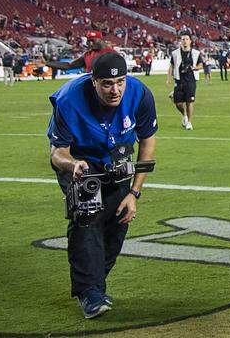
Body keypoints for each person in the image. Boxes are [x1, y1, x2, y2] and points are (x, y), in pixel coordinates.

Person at [46, 52, 157, 318]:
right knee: (87, 218)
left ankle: (95, 284)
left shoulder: (140, 95)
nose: (115, 90)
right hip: (80, 163)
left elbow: (147, 142)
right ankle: (89, 294)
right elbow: (57, 152)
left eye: (120, 82)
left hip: (118, 158)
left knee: (117, 222)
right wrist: (73, 165)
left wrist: (134, 193)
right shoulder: (69, 99)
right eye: (107, 84)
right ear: (93, 81)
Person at [168, 34, 205, 130]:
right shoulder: (175, 53)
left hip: (190, 80)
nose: (184, 41)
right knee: (178, 103)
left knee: (189, 102)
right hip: (179, 80)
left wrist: (195, 68)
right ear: (180, 41)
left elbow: (201, 65)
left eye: (186, 39)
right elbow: (171, 66)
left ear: (190, 41)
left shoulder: (196, 53)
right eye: (183, 39)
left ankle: (189, 122)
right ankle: (184, 115)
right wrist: (169, 78)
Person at [46, 30, 116, 74]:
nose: (90, 43)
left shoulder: (112, 54)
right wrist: (46, 63)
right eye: (89, 41)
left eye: (93, 40)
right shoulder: (87, 55)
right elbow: (69, 65)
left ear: (101, 40)